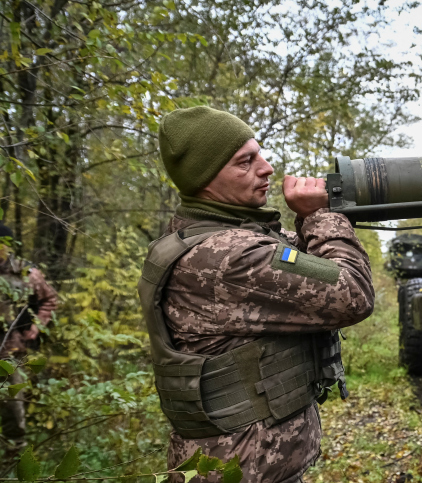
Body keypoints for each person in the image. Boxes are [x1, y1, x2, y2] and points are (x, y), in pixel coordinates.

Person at [139, 106, 374, 483]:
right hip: (241, 468)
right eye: (245, 162)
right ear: (206, 179)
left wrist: (311, 220)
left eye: (260, 154)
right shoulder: (230, 258)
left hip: (244, 463)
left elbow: (308, 267)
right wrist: (320, 216)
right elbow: (352, 293)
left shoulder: (215, 238)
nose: (266, 168)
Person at [0, 224, 58, 447]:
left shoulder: (27, 273)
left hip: (13, 345)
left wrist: (37, 324)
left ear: (8, 245)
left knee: (12, 400)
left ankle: (14, 450)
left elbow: (49, 299)